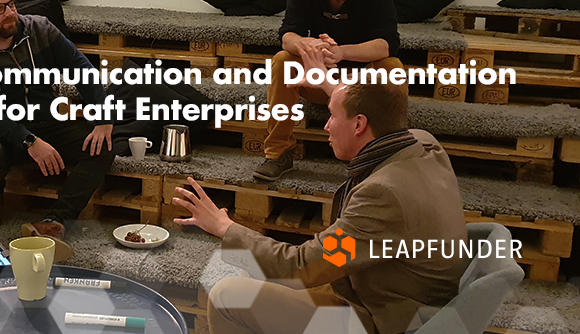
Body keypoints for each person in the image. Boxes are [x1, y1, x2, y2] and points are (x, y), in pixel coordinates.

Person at [173, 45, 467, 334]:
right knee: (257, 272)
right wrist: (330, 84)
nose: (326, 126)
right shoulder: (424, 144)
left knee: (228, 295)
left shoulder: (383, 195)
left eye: (332, 115)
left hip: (380, 319)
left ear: (359, 125)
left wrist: (225, 227)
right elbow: (368, 107)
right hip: (397, 294)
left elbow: (299, 268)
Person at [0, 0, 115, 262]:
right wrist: (29, 141)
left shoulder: (40, 29)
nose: (10, 13)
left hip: (45, 121)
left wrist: (102, 116)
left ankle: (56, 221)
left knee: (100, 145)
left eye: (12, 4)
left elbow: (82, 69)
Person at [257, 0, 405, 181]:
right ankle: (277, 154)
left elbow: (386, 44)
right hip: (318, 80)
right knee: (283, 59)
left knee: (392, 67)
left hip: (362, 85)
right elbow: (286, 36)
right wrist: (307, 45)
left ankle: (384, 157)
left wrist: (341, 51)